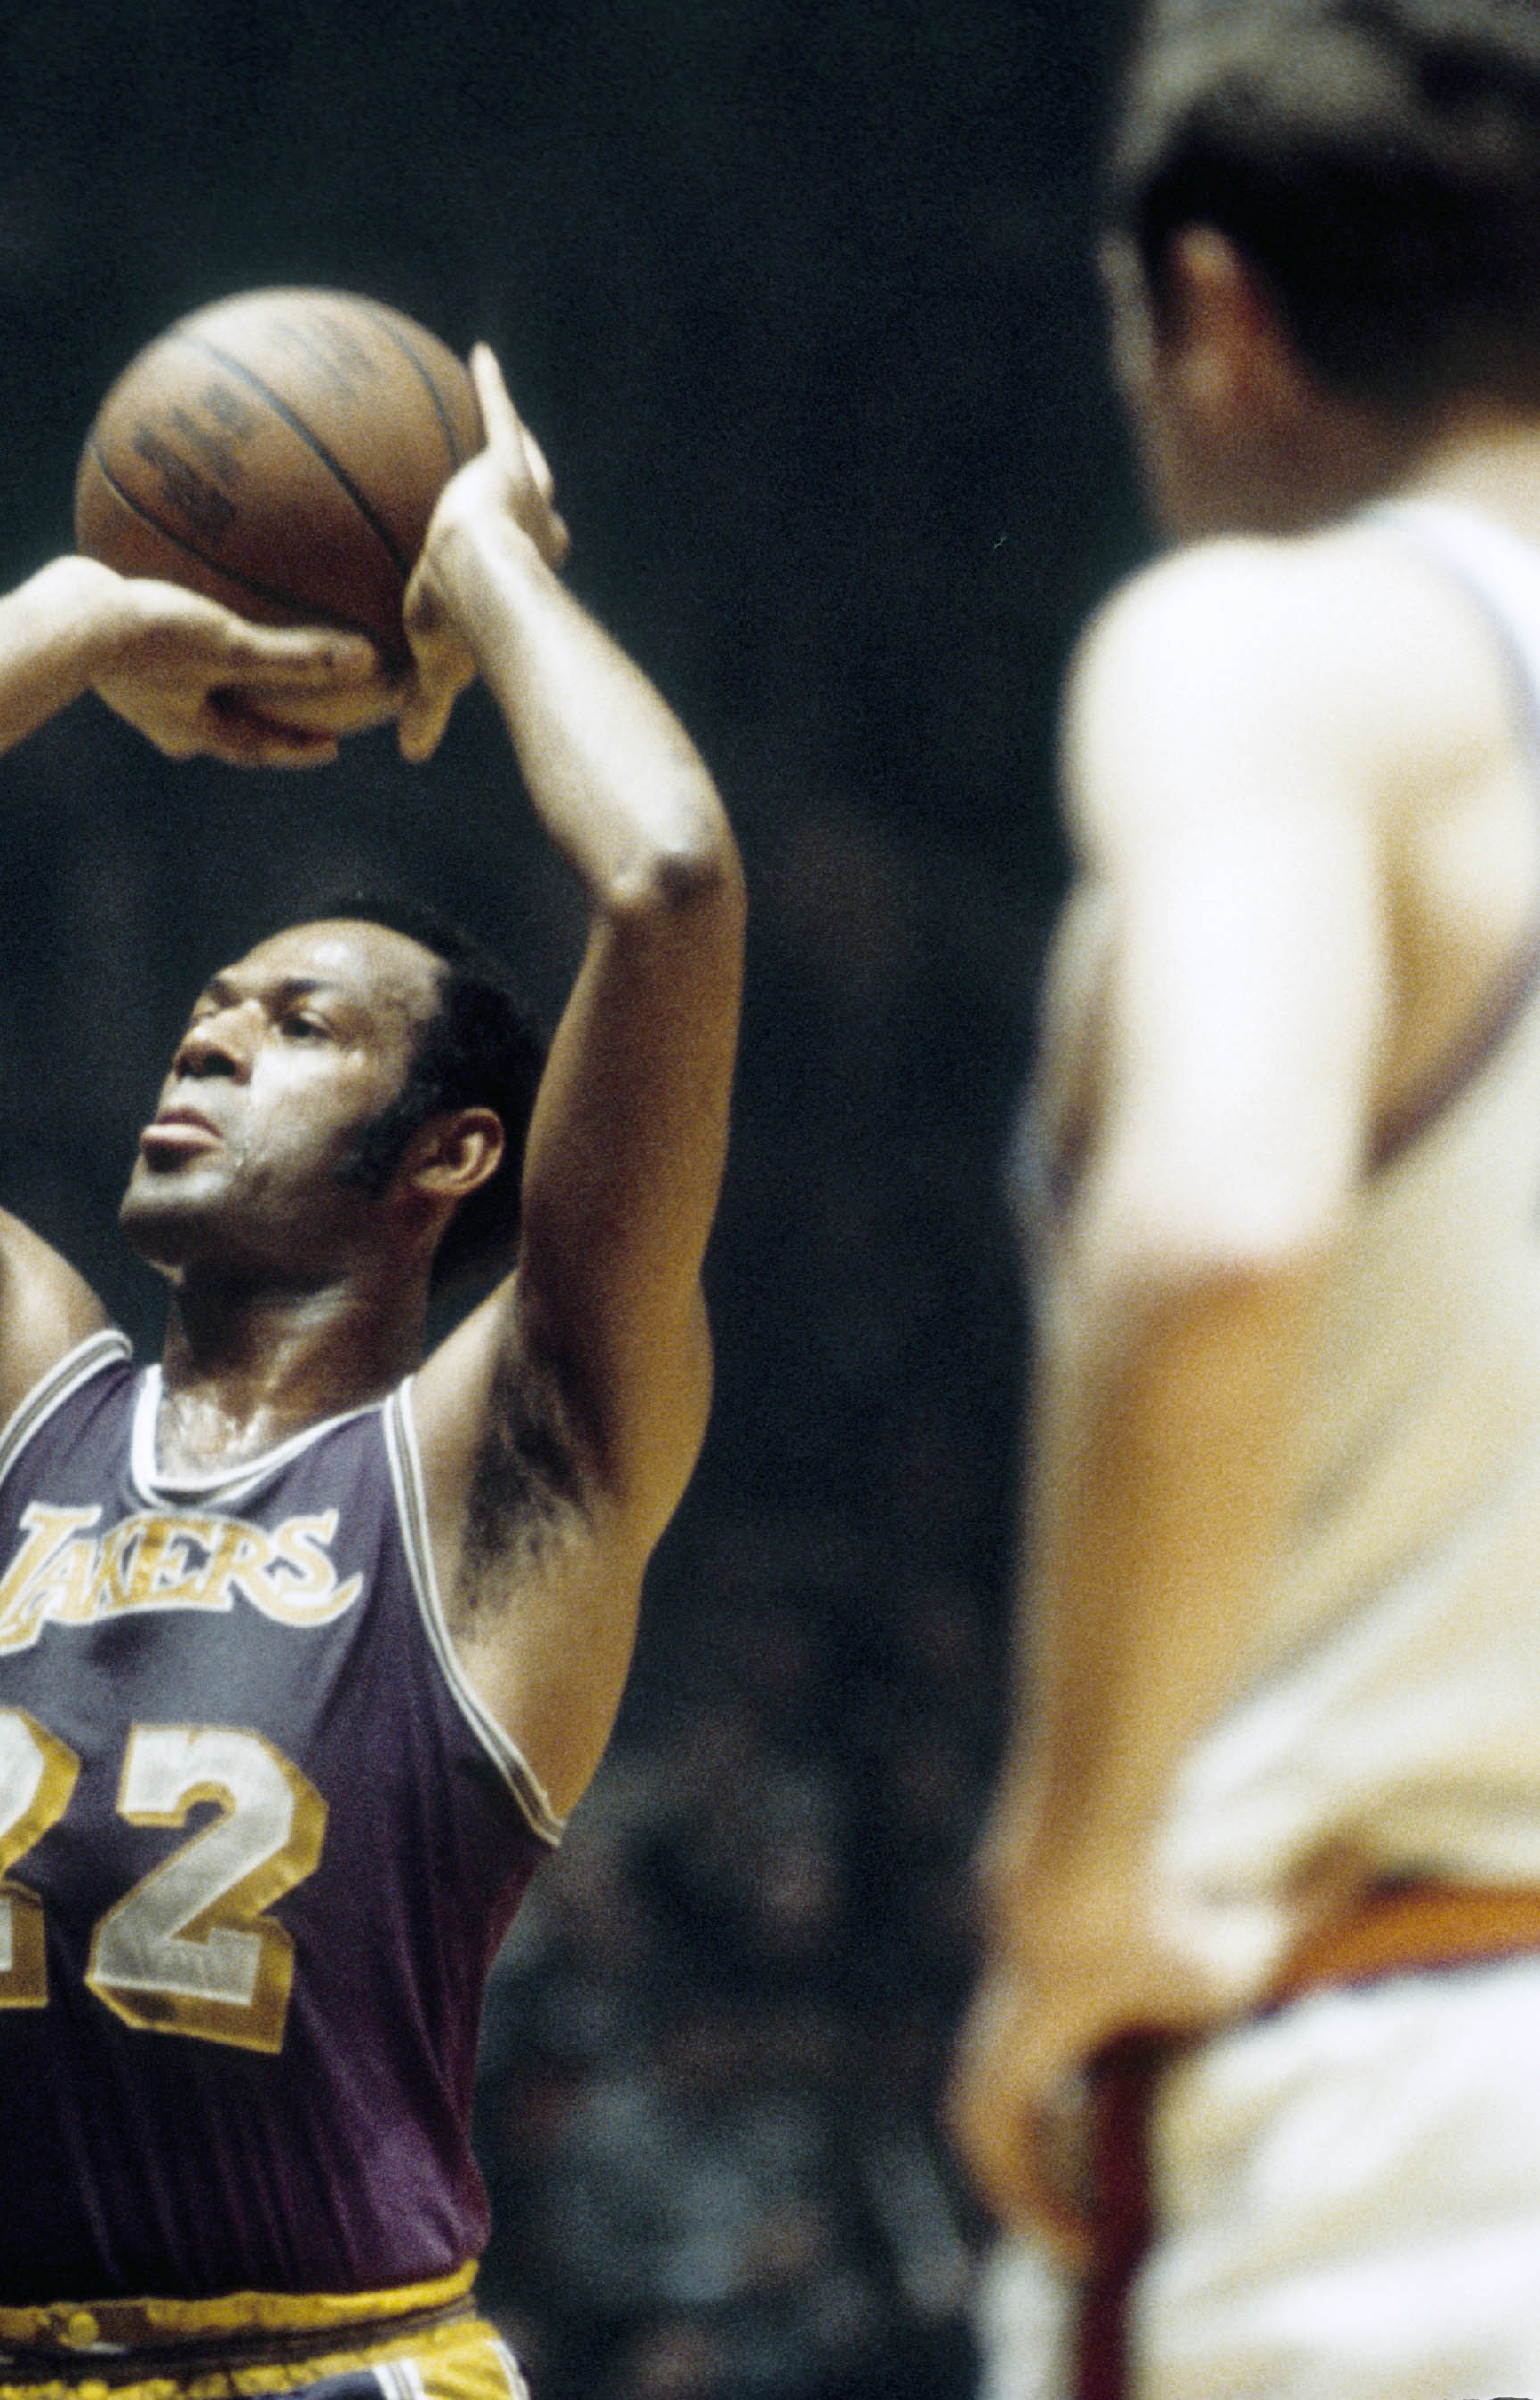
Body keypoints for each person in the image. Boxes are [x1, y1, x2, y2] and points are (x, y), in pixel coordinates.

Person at [0, 348, 741, 2397]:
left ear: (451, 1154)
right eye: (210, 1006)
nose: (211, 1038)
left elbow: (668, 883)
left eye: (298, 1020)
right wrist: (71, 626)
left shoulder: (511, 1466)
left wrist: (487, 573)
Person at [950, 3, 1540, 2390]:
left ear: (1207, 308)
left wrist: (1065, 1886)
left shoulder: (1287, 646)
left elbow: (1211, 1233)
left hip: (1398, 2089)